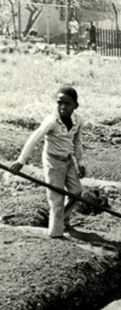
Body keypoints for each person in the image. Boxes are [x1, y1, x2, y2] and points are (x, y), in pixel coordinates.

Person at [10, 86, 85, 239]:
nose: (63, 107)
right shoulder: (51, 121)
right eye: (59, 103)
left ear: (75, 106)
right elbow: (34, 138)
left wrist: (80, 163)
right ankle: (56, 235)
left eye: (67, 103)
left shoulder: (78, 120)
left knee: (77, 192)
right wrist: (21, 161)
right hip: (53, 162)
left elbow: (77, 142)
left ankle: (63, 219)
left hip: (68, 159)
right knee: (57, 198)